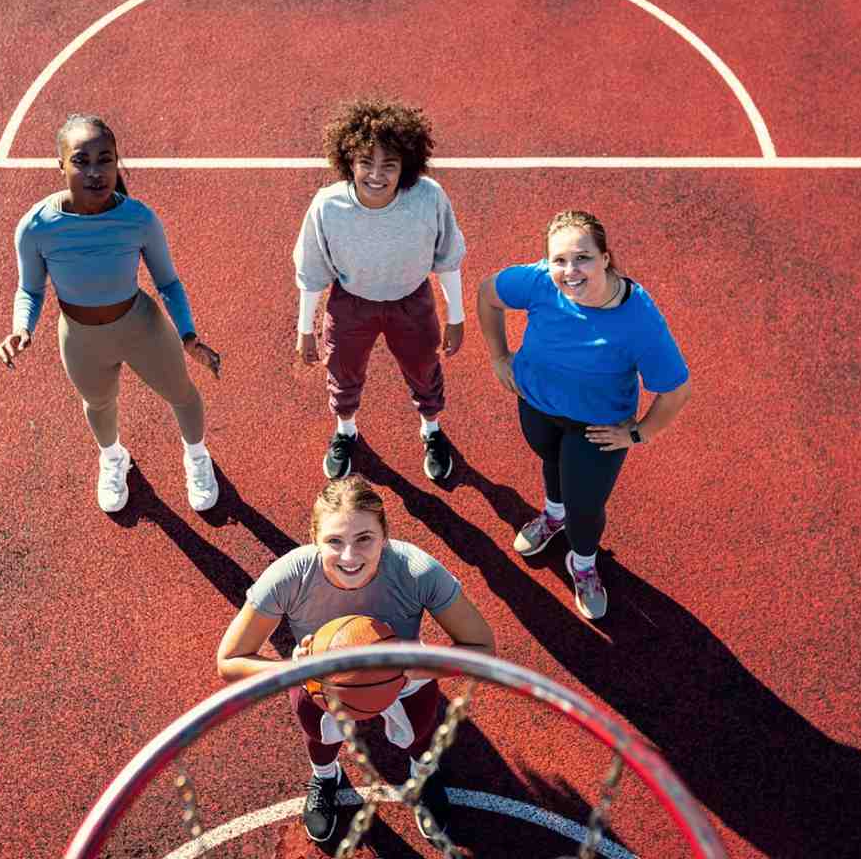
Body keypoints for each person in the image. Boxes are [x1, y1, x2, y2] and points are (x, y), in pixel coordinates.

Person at [216, 475, 495, 843]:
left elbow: (483, 648)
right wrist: (297, 670)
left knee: (420, 733)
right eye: (334, 541)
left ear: (385, 535)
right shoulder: (290, 575)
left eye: (364, 539)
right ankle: (326, 776)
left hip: (404, 676)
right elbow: (230, 661)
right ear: (314, 538)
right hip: (319, 678)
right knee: (318, 734)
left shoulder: (416, 570)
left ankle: (422, 772)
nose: (349, 557)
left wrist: (413, 666)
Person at [0, 114, 221, 514]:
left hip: (141, 328)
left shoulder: (139, 218)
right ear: (60, 165)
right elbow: (30, 288)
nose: (95, 172)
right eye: (81, 161)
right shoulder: (36, 227)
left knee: (181, 394)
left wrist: (188, 335)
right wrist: (21, 327)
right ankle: (114, 458)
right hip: (81, 339)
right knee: (98, 404)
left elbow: (168, 283)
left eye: (106, 160)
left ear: (117, 163)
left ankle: (197, 456)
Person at [477, 210, 692, 620]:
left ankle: (583, 562)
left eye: (583, 258)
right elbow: (488, 294)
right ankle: (552, 516)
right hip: (537, 404)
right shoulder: (540, 281)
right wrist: (498, 357)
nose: (570, 271)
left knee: (585, 508)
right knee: (552, 461)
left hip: (596, 429)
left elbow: (676, 390)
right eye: (559, 260)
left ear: (606, 258)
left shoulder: (639, 320)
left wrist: (638, 434)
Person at [293, 98, 468, 482]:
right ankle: (346, 431)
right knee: (342, 372)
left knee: (424, 369)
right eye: (365, 163)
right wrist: (305, 328)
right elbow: (311, 270)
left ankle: (431, 429)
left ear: (406, 165)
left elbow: (447, 259)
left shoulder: (429, 197)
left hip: (412, 301)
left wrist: (456, 317)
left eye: (389, 164)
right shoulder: (327, 205)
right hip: (351, 303)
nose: (376, 175)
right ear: (348, 162)